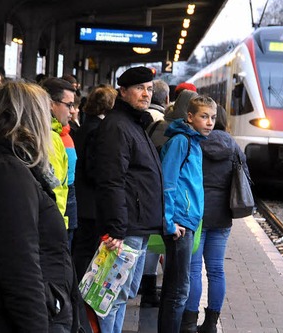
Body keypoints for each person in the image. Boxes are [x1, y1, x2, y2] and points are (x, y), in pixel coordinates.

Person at [0, 81, 78, 332]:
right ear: (32, 119)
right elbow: (20, 268)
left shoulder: (1, 164)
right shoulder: (6, 173)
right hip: (9, 318)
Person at [93, 66, 164, 333]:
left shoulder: (133, 122)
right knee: (111, 295)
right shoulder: (117, 126)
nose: (146, 94)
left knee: (123, 293)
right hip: (125, 227)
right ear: (122, 92)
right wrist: (116, 227)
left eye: (149, 88)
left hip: (136, 224)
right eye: (139, 88)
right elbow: (111, 179)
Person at [184, 105, 250, 333]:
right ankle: (211, 323)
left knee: (193, 270)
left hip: (197, 215)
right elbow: (245, 177)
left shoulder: (195, 142)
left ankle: (189, 322)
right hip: (222, 216)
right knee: (216, 270)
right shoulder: (233, 146)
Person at [158, 95, 215, 333]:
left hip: (186, 220)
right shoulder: (182, 141)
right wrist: (169, 222)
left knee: (175, 288)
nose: (210, 122)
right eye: (204, 116)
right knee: (179, 290)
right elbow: (167, 182)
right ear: (190, 117)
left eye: (213, 117)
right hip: (179, 222)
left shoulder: (194, 142)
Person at [71, 84, 117, 280]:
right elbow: (93, 169)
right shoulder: (98, 130)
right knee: (86, 249)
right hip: (90, 202)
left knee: (81, 247)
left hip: (81, 199)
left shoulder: (84, 127)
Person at [140, 78, 170, 308]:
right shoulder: (165, 126)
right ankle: (151, 290)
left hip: (143, 189)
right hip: (155, 192)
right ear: (167, 100)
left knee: (148, 244)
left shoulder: (140, 119)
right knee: (155, 243)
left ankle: (146, 286)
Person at [41, 77, 77, 230]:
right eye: (69, 105)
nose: (73, 111)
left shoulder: (56, 133)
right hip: (54, 221)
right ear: (50, 104)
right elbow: (53, 188)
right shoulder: (50, 137)